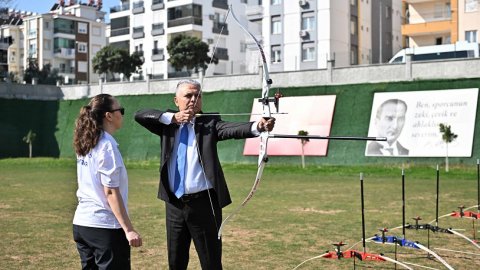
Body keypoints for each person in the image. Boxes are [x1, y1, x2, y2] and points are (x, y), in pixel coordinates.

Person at [134, 79, 275, 270]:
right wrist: (173, 118)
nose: (194, 99)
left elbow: (231, 129)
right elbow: (140, 115)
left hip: (204, 203)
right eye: (188, 96)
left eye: (197, 95)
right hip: (174, 204)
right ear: (176, 101)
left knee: (211, 263)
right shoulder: (167, 124)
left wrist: (257, 126)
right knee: (175, 262)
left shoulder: (209, 123)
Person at [72, 94, 142, 269]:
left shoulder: (86, 141)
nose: (122, 115)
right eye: (120, 110)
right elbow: (110, 192)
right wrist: (129, 229)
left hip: (82, 225)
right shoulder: (106, 145)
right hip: (104, 227)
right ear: (109, 116)